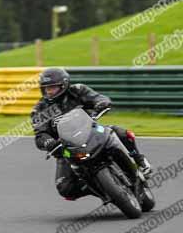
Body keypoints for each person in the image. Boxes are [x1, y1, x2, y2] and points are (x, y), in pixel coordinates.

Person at [31, 67, 153, 201]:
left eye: (53, 87)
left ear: (64, 85)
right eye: (46, 88)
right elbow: (40, 134)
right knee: (65, 188)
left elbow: (98, 98)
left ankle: (139, 160)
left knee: (120, 132)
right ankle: (101, 188)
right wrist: (49, 143)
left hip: (92, 133)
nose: (49, 91)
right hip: (66, 148)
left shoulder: (77, 91)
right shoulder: (40, 109)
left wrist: (101, 104)